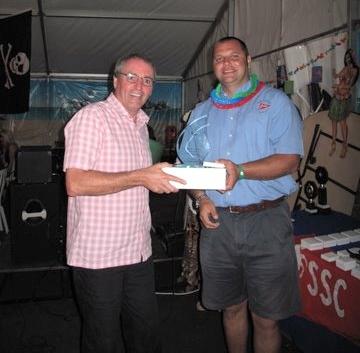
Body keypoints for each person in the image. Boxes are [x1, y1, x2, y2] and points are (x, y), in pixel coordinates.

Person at [178, 37, 304, 353]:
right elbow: (188, 165)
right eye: (219, 58)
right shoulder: (202, 112)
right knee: (231, 308)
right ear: (213, 65)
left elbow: (290, 159)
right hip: (218, 225)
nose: (227, 63)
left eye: (234, 56)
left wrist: (242, 170)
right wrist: (201, 198)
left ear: (248, 59)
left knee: (266, 317)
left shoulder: (275, 103)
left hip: (267, 221)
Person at [63, 53, 184, 353]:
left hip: (138, 252)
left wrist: (161, 179)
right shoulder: (93, 117)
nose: (139, 85)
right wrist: (143, 176)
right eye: (131, 77)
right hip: (99, 258)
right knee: (102, 342)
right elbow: (75, 183)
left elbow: (137, 180)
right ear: (115, 80)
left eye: (147, 80)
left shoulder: (141, 125)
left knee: (145, 336)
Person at [328, 48, 359, 158]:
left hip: (343, 99)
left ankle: (345, 145)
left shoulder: (355, 70)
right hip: (336, 98)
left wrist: (339, 86)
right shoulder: (345, 68)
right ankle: (333, 143)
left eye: (351, 56)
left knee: (342, 124)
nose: (350, 58)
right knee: (333, 123)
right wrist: (334, 73)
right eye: (348, 56)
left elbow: (350, 86)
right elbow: (336, 76)